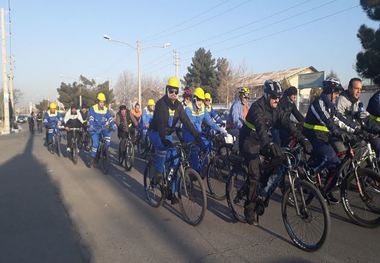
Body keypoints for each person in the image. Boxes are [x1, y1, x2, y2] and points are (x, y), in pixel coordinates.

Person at [240, 80, 312, 225]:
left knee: (280, 161)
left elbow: (287, 123)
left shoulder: (276, 107)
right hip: (249, 141)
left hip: (262, 140)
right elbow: (261, 128)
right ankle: (249, 208)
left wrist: (303, 139)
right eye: (274, 96)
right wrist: (270, 143)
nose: (277, 99)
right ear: (266, 95)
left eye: (279, 97)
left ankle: (262, 192)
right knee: (255, 175)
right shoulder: (257, 107)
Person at [303, 77, 359, 203]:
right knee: (329, 157)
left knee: (337, 165)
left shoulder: (330, 105)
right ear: (330, 91)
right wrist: (339, 134)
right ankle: (309, 173)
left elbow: (340, 118)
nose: (338, 95)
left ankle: (326, 190)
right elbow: (327, 121)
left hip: (323, 136)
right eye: (336, 92)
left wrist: (356, 130)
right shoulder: (319, 103)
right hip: (312, 136)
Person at [148, 76, 200, 204]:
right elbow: (160, 123)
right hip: (156, 133)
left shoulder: (178, 106)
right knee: (162, 150)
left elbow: (187, 122)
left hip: (168, 134)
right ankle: (158, 175)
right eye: (171, 91)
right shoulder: (161, 104)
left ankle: (172, 192)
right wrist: (162, 139)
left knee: (176, 161)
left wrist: (197, 136)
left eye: (176, 91)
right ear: (167, 90)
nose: (174, 94)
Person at [182, 87, 226, 174]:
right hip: (188, 133)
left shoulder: (203, 108)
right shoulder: (188, 109)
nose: (200, 102)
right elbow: (193, 125)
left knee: (207, 146)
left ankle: (203, 167)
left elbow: (210, 121)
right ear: (195, 98)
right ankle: (194, 172)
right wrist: (200, 134)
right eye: (198, 99)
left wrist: (220, 129)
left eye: (202, 100)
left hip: (198, 132)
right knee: (195, 148)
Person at [337, 78, 380, 157]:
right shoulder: (341, 100)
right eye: (356, 88)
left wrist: (377, 129)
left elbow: (365, 119)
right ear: (349, 88)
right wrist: (354, 116)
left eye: (360, 89)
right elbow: (339, 119)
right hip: (344, 133)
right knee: (345, 156)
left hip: (357, 131)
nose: (359, 91)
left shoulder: (358, 102)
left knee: (375, 142)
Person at [88, 92, 116, 166]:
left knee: (107, 141)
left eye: (103, 102)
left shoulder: (106, 110)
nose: (102, 103)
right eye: (101, 102)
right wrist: (91, 125)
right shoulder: (92, 108)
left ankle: (105, 154)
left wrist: (113, 125)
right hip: (94, 129)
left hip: (103, 129)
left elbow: (109, 118)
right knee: (95, 144)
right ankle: (93, 157)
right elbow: (91, 117)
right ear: (98, 101)